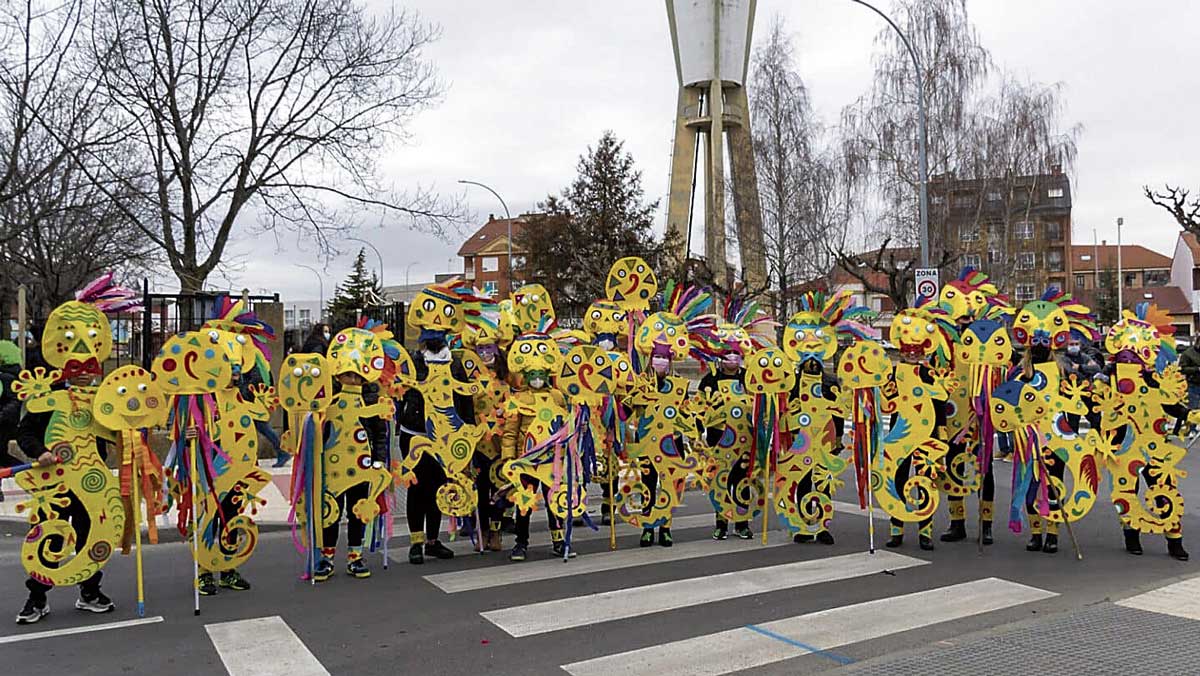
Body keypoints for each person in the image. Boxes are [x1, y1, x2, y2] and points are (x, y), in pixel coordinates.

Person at [698, 351, 753, 541]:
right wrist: (696, 433)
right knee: (720, 482)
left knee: (741, 482)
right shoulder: (710, 379)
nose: (731, 358)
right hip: (718, 439)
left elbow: (760, 405)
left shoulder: (749, 377)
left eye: (735, 354)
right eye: (727, 354)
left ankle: (742, 523)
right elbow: (699, 407)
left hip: (743, 440)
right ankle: (721, 525)